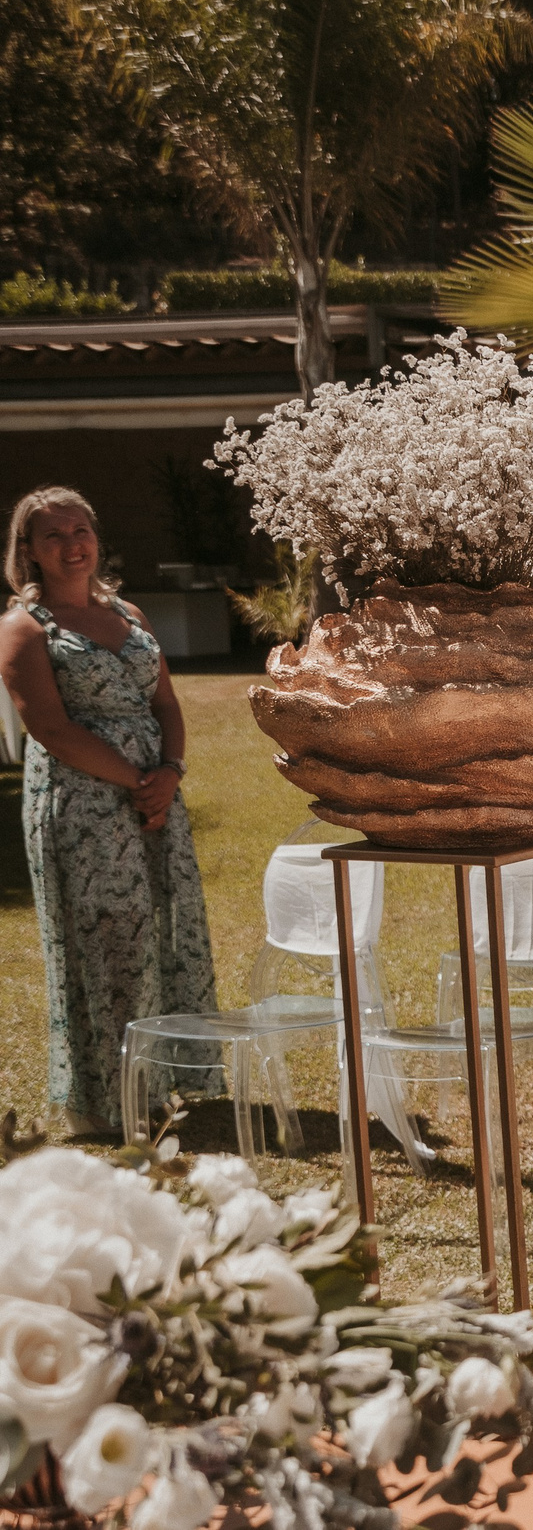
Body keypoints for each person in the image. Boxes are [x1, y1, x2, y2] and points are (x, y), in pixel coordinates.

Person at [0, 487, 214, 1138]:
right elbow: (50, 729)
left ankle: (155, 1084)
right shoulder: (24, 627)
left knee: (159, 934)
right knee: (106, 941)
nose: (72, 543)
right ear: (29, 552)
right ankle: (103, 1099)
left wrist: (168, 776)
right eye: (53, 534)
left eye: (79, 528)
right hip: (85, 807)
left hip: (154, 800)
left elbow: (168, 705)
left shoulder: (128, 611)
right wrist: (137, 782)